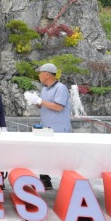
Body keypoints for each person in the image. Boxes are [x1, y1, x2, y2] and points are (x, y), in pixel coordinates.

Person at [26, 62, 71, 190]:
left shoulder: (60, 88)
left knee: (60, 155)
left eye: (40, 73)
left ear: (47, 75)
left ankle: (68, 182)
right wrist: (34, 101)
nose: (38, 76)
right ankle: (45, 181)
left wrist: (41, 101)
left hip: (58, 128)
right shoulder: (45, 88)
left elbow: (58, 107)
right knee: (43, 153)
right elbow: (43, 104)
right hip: (45, 127)